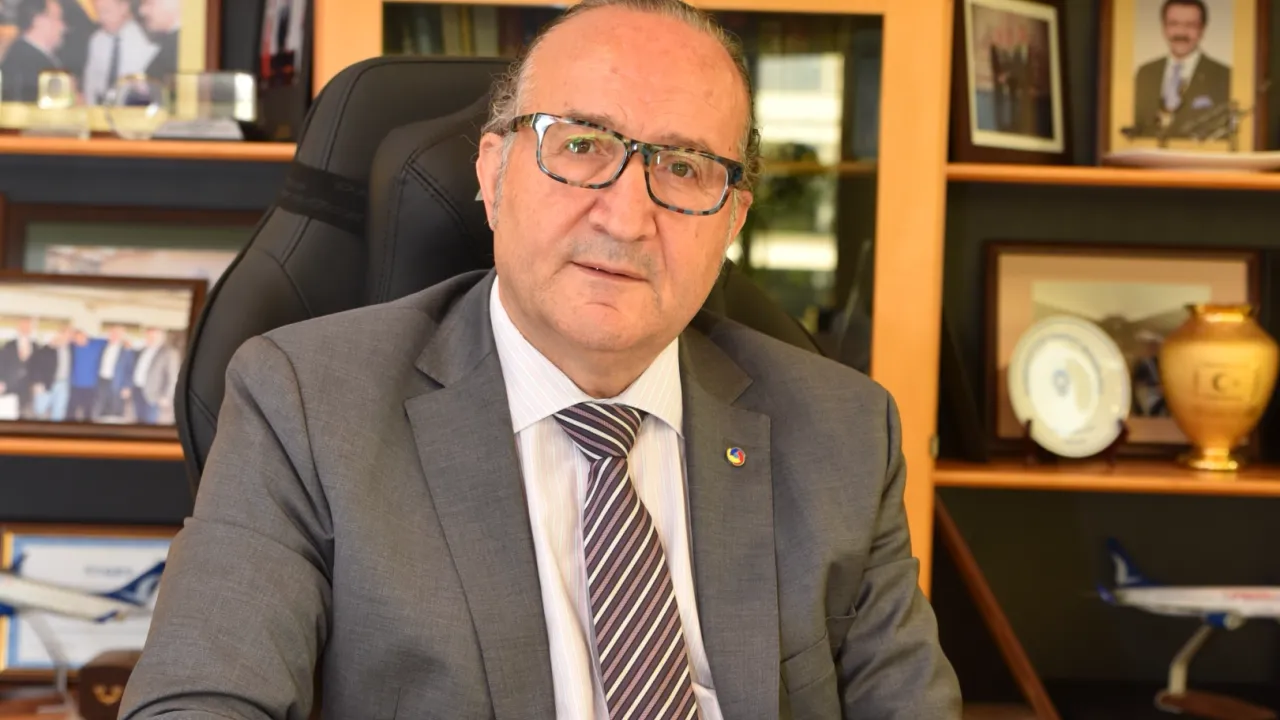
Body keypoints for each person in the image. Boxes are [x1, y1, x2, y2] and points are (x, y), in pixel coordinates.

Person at [119, 0, 962, 717]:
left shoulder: (844, 434)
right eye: (582, 145)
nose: (626, 219)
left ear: (732, 221)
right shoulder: (307, 406)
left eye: (684, 166)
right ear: (494, 174)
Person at [1132, 0, 1231, 138]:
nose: (1181, 32)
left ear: (1202, 29)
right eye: (1174, 24)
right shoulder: (1145, 73)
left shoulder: (1224, 76)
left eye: (1190, 25)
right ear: (1164, 27)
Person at [81, 0, 158, 104]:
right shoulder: (97, 40)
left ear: (123, 8)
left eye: (106, 11)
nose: (100, 19)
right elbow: (91, 82)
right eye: (98, 12)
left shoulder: (146, 41)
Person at [0, 0, 66, 103]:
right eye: (58, 18)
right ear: (39, 20)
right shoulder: (28, 62)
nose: (63, 27)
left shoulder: (22, 54)